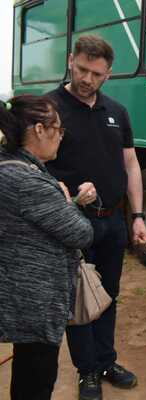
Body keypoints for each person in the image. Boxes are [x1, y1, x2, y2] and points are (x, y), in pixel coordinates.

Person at [45, 35, 146, 400]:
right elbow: (35, 165)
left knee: (107, 295)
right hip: (73, 223)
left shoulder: (116, 112)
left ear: (108, 74)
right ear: (71, 60)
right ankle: (86, 370)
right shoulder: (49, 109)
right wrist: (68, 195)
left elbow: (131, 164)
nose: (87, 78)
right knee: (80, 301)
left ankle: (106, 361)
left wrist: (137, 215)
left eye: (96, 73)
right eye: (82, 69)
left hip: (114, 222)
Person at [0, 95, 94, 400]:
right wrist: (68, 202)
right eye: (59, 129)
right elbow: (81, 233)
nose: (61, 136)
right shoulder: (24, 179)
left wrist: (67, 202)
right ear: (40, 129)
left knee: (28, 372)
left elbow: (37, 220)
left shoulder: (10, 165)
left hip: (22, 296)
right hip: (35, 302)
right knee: (36, 381)